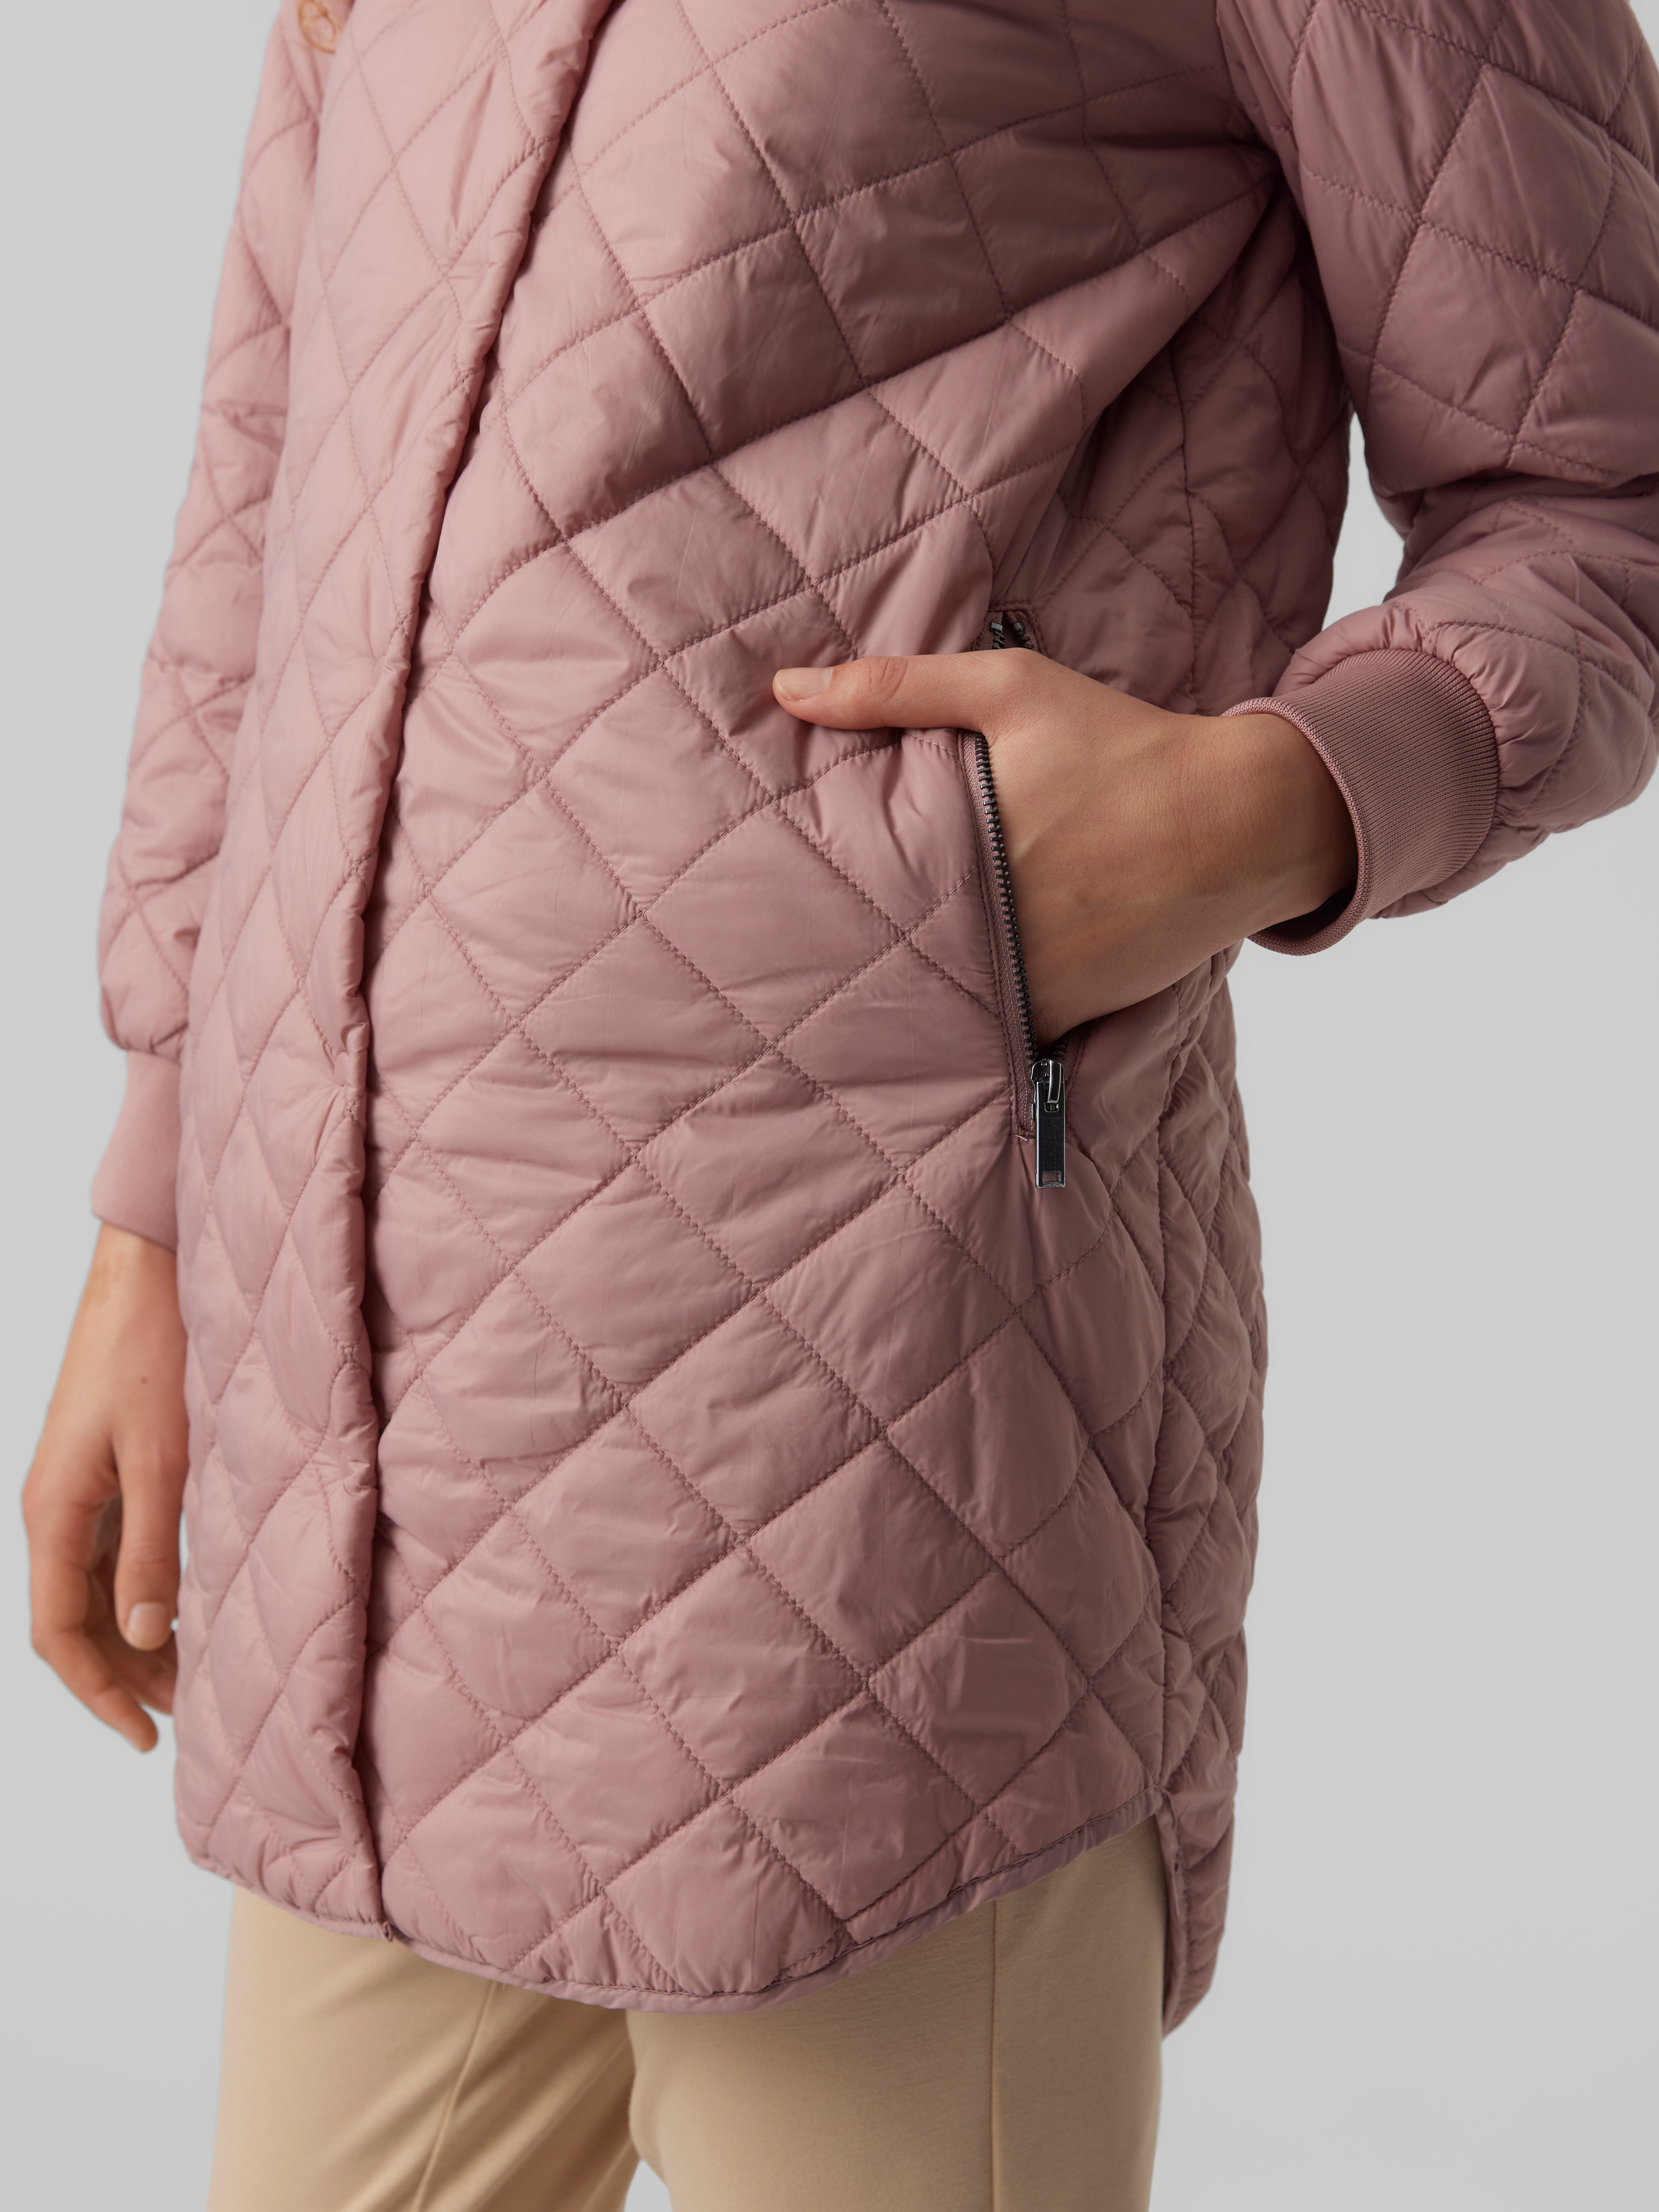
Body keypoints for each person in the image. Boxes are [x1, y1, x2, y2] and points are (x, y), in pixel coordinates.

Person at [23, 1, 1659, 2206]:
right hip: (377, 1463)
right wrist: (152, 1219)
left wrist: (1266, 805)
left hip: (879, 1403)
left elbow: (1608, 483)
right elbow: (268, 509)